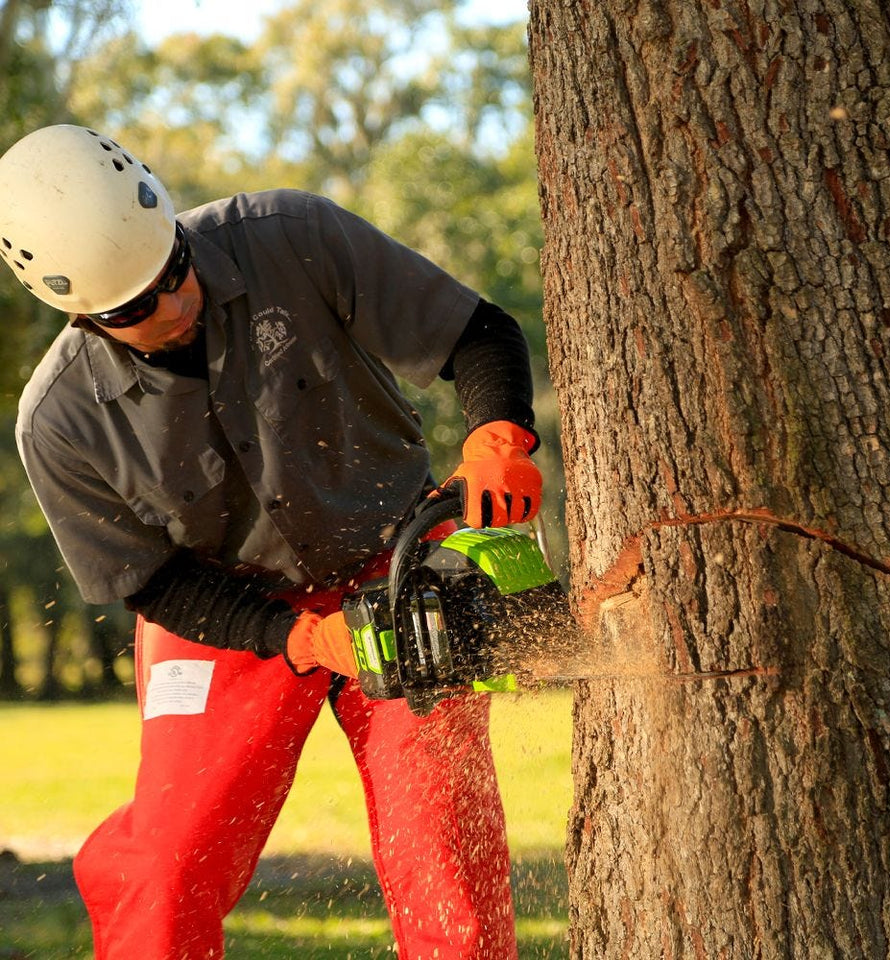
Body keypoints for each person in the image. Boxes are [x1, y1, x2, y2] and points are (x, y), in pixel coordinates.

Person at [0, 124, 544, 959]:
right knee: (173, 861)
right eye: (138, 308)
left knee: (442, 846)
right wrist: (294, 636)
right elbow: (151, 582)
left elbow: (478, 333)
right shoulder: (60, 422)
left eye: (175, 269)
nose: (177, 304)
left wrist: (498, 437)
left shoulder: (293, 237)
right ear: (80, 312)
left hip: (391, 572)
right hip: (227, 611)